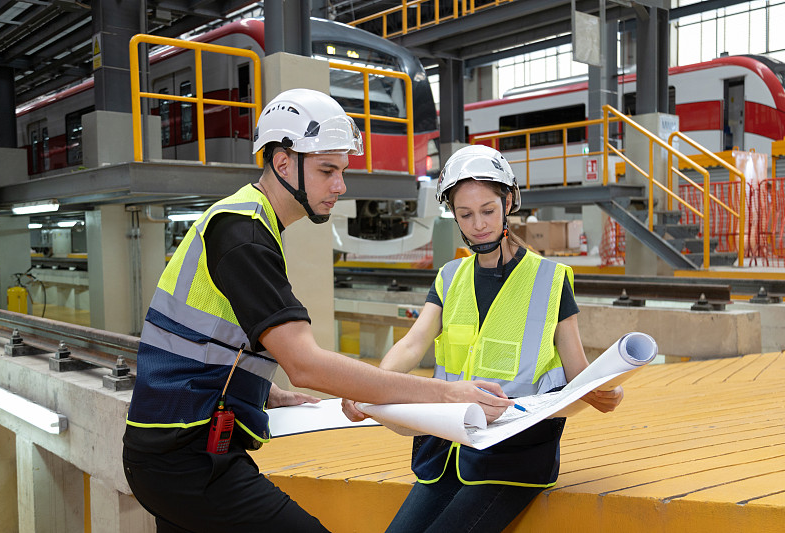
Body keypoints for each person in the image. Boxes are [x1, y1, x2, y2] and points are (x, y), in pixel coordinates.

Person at [122, 89, 514, 533]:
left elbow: (208, 339)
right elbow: (305, 363)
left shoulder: (249, 224)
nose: (340, 186)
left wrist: (258, 390)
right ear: (284, 163)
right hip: (187, 463)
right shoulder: (244, 236)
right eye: (327, 170)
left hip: (173, 453)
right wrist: (447, 393)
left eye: (342, 171)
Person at [342, 144, 624, 533]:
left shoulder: (549, 280)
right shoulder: (449, 277)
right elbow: (412, 343)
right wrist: (369, 387)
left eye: (488, 211)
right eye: (466, 214)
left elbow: (578, 371)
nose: (478, 224)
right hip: (447, 450)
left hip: (513, 459)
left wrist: (604, 389)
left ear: (508, 202)